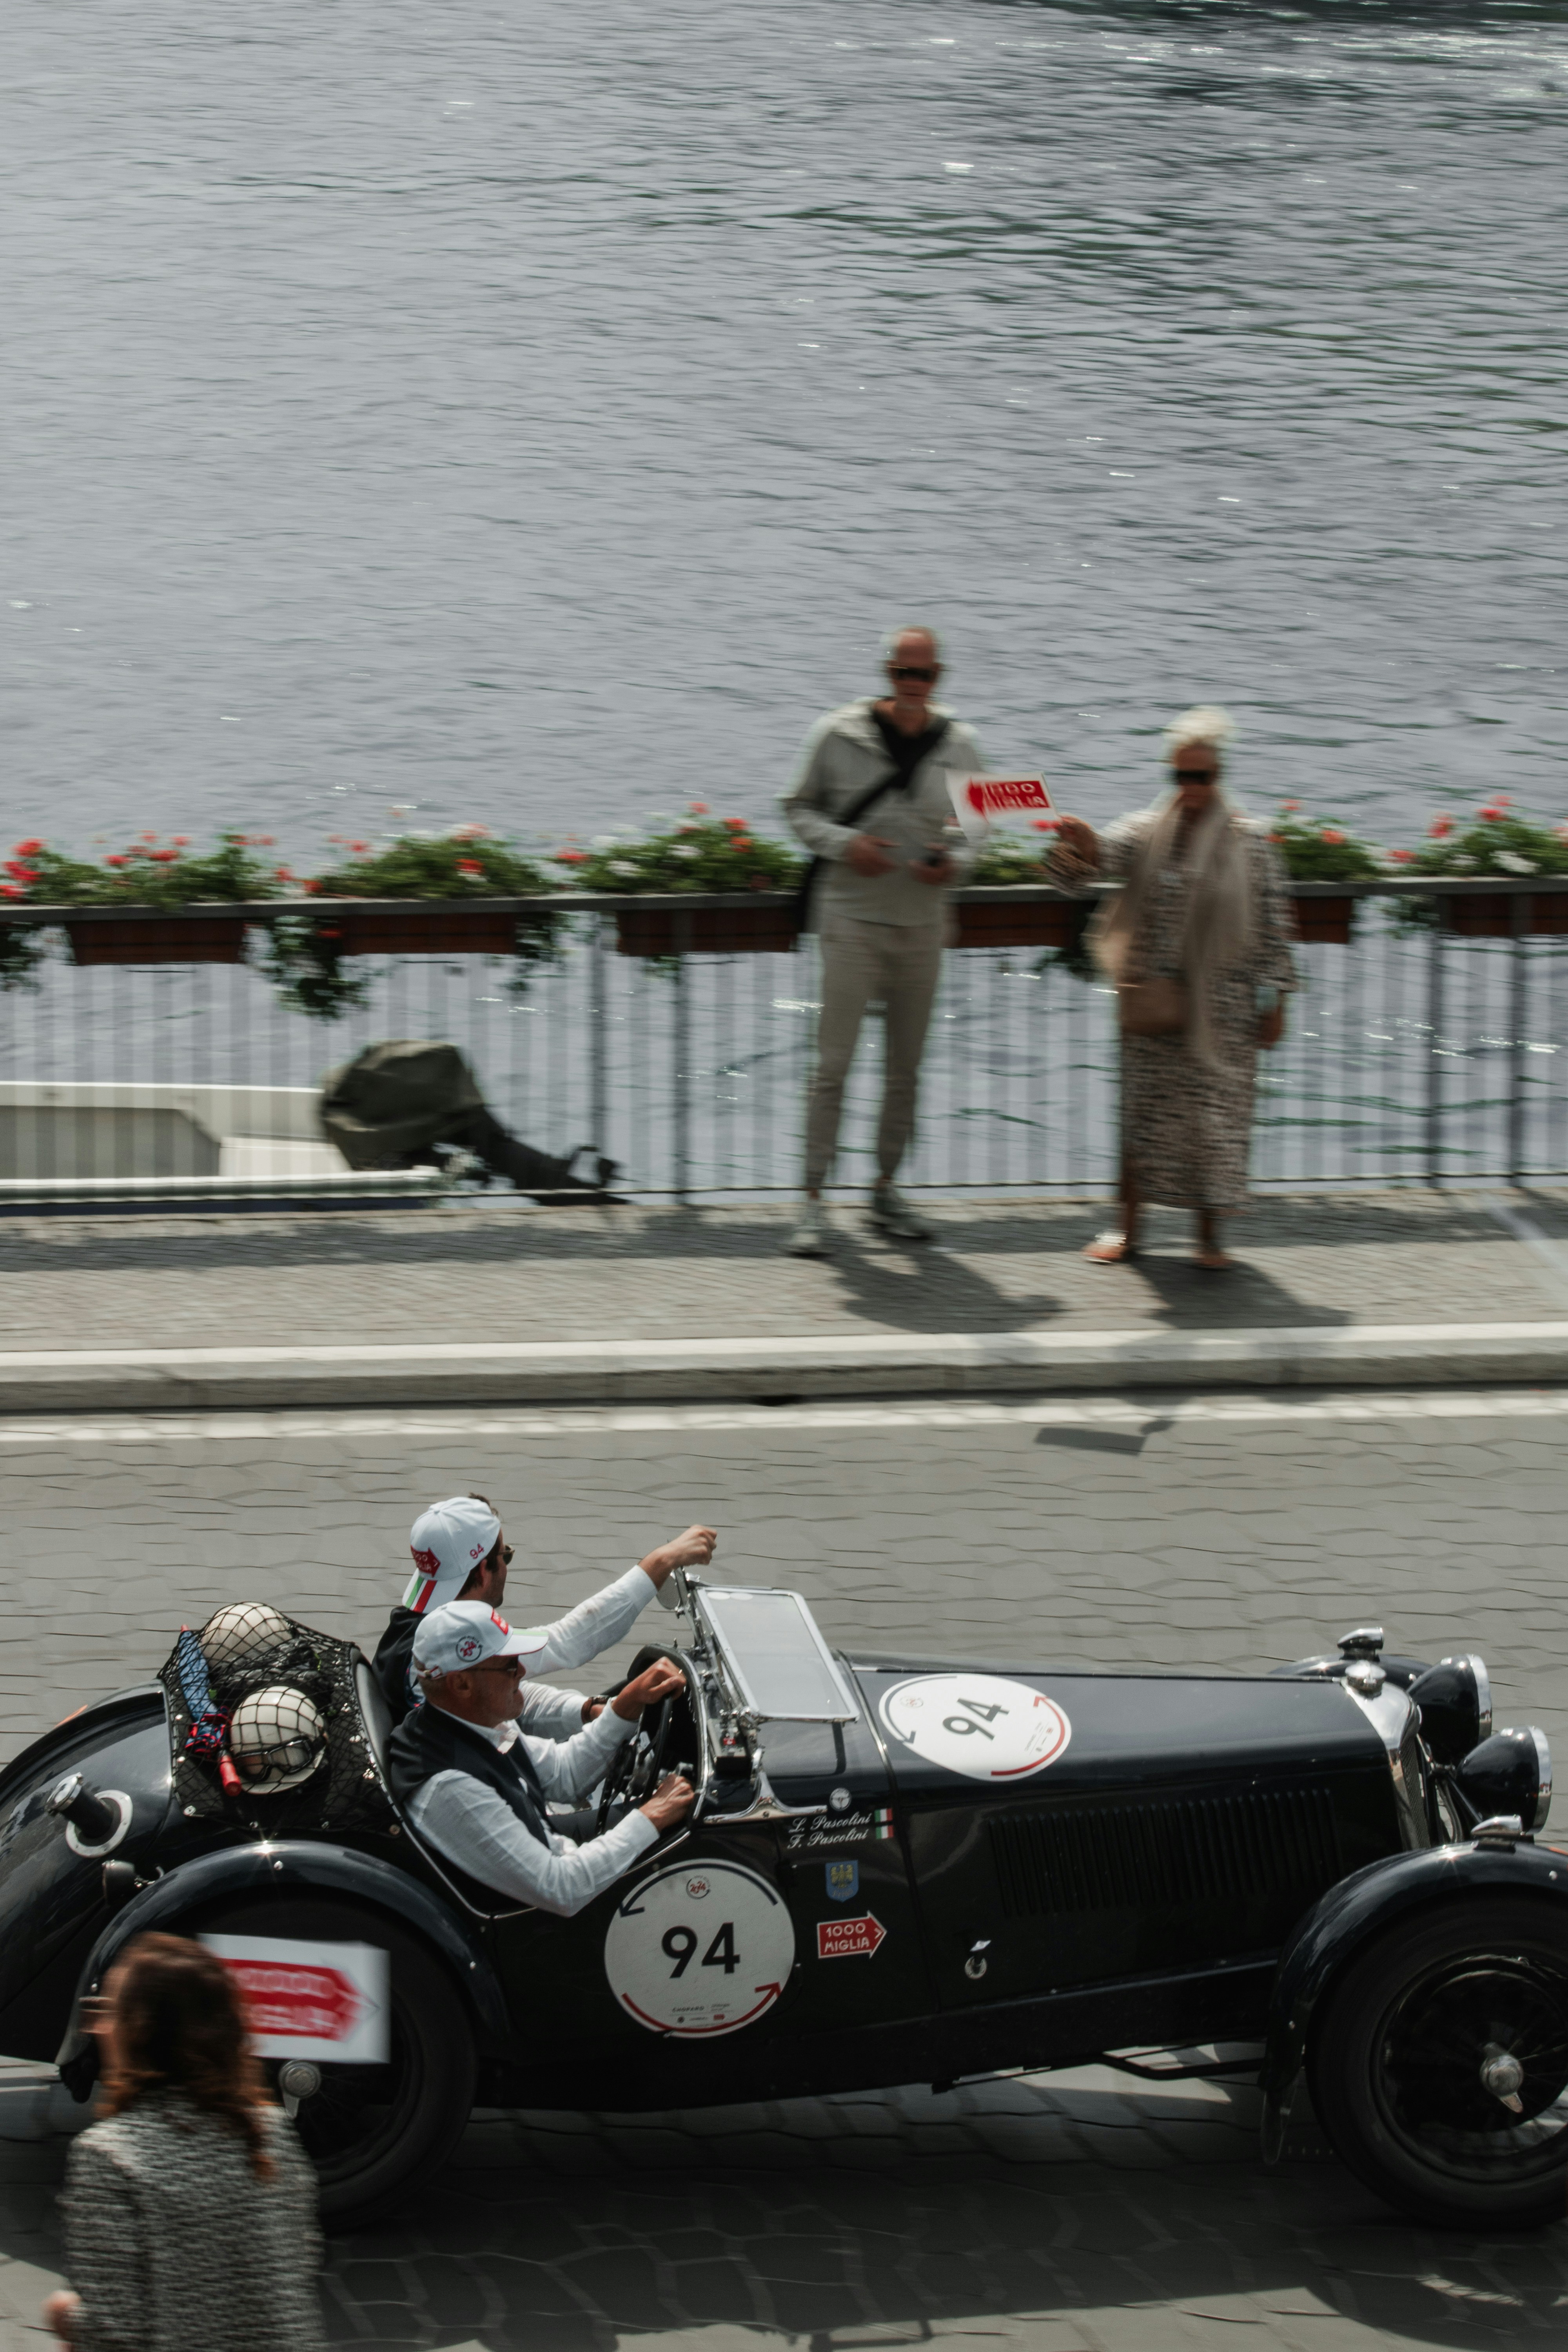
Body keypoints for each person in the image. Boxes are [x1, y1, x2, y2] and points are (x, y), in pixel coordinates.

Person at [1051, 706, 1296, 1272]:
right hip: (1154, 1002)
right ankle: (1127, 1229)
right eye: (1181, 777)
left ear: (1220, 777)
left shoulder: (1252, 844)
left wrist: (1276, 1001)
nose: (1191, 788)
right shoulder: (1143, 833)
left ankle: (1209, 1238)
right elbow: (1088, 870)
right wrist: (1081, 842)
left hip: (1225, 1010)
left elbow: (1274, 928)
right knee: (1142, 1120)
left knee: (1212, 1124)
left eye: (1202, 777)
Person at [781, 625, 984, 1258]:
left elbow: (980, 830)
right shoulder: (837, 734)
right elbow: (796, 809)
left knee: (906, 1071)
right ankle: (812, 1204)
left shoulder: (963, 744)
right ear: (887, 673)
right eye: (903, 674)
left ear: (939, 678)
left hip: (923, 926)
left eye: (923, 676)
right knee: (833, 1069)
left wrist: (955, 864)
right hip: (851, 922)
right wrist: (851, 847)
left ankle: (886, 1189)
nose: (912, 685)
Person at [44, 1933, 326, 2352]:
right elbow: (302, 2262)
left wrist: (66, 2317)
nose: (99, 2026)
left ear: (135, 2033)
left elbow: (115, 2335)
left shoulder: (110, 2156)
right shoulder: (270, 2134)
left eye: (108, 2012)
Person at [387, 1600, 696, 1914]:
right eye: (509, 1665)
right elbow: (562, 1888)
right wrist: (652, 1817)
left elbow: (565, 1774)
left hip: (546, 1852)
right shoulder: (451, 1788)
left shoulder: (476, 1722)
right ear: (462, 1684)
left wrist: (626, 1704)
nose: (522, 1671)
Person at [372, 1492, 717, 1729]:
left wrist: (589, 1711)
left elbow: (509, 1690)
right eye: (505, 1556)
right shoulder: (452, 1651)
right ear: (481, 1571)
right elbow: (569, 1641)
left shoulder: (414, 1629)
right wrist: (662, 1561)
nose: (508, 1565)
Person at [320, 1040, 617, 1202]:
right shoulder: (368, 1102)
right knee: (501, 1151)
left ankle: (561, 1183)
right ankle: (563, 1183)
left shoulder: (354, 1108)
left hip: (435, 1108)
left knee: (500, 1152)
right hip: (444, 1104)